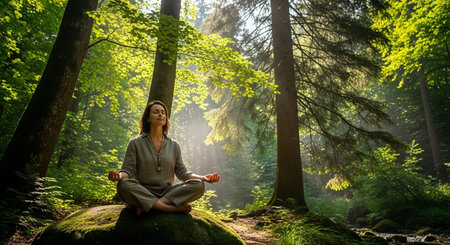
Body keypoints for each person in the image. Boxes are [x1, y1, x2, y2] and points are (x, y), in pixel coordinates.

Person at [108, 100, 220, 215]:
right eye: (156, 112)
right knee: (123, 184)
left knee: (198, 184)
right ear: (148, 118)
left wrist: (204, 178)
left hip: (167, 193)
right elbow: (128, 170)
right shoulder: (135, 143)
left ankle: (150, 206)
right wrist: (119, 176)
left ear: (166, 118)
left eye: (163, 112)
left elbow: (182, 172)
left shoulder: (174, 145)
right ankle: (168, 208)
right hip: (142, 191)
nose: (160, 114)